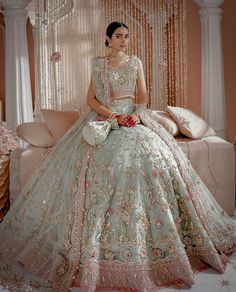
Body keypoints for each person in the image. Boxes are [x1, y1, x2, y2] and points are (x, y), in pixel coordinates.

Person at [0, 21, 236, 292]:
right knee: (108, 161)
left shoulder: (135, 62)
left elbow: (144, 95)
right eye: (119, 36)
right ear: (108, 39)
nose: (124, 40)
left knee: (156, 156)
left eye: (126, 36)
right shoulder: (98, 64)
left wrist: (135, 115)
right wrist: (113, 116)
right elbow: (91, 99)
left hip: (133, 119)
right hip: (107, 119)